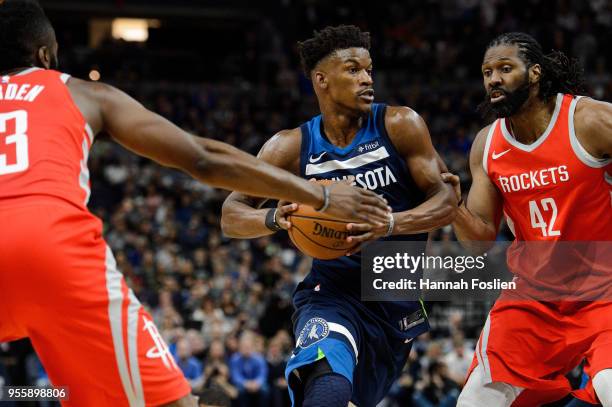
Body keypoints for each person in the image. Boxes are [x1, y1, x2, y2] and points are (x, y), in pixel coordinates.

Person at [0, 2, 391, 406]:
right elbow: (202, 157)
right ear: (44, 56)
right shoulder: (80, 92)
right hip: (52, 251)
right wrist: (321, 194)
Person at [222, 25, 457, 407]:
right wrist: (276, 220)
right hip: (331, 292)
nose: (366, 79)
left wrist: (392, 224)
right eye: (352, 70)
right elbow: (231, 214)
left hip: (394, 298)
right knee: (325, 377)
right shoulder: (290, 147)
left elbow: (447, 201)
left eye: (369, 70)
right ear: (322, 80)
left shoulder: (400, 124)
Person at [444, 32, 612, 406]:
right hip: (535, 299)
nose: (493, 79)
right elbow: (479, 243)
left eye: (506, 68)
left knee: (609, 386)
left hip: (605, 294)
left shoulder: (588, 120)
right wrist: (452, 207)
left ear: (535, 73)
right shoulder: (487, 145)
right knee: (474, 401)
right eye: (487, 72)